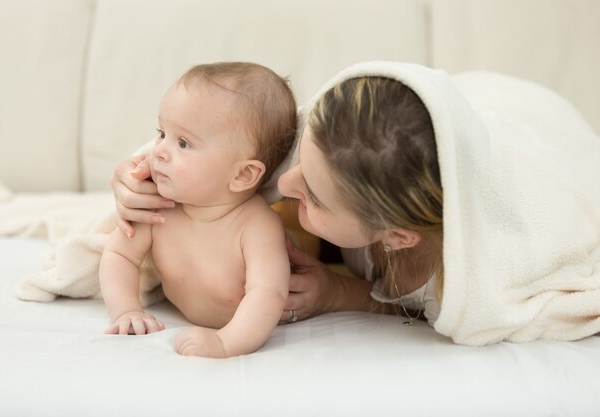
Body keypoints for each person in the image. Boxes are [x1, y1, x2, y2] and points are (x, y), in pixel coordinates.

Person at [111, 61, 600, 345]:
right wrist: (133, 177)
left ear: (396, 236)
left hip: (544, 133)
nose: (285, 185)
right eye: (300, 161)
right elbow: (224, 127)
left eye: (316, 198)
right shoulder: (332, 140)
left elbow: (422, 306)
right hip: (458, 107)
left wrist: (340, 293)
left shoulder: (463, 279)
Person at [99, 62, 297, 358]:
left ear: (242, 175)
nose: (159, 151)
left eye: (183, 143)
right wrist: (126, 310)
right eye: (161, 133)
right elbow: (119, 255)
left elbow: (268, 294)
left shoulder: (256, 226)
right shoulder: (159, 205)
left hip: (237, 328)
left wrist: (225, 342)